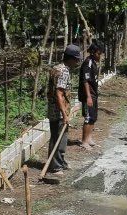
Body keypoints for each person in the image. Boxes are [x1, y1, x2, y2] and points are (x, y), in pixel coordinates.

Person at [46, 44, 82, 179]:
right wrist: (64, 114)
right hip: (58, 110)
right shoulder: (64, 72)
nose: (77, 62)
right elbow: (59, 93)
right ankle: (55, 166)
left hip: (53, 108)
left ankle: (59, 161)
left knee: (58, 135)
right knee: (59, 137)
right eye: (76, 59)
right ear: (71, 58)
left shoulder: (56, 68)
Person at [77, 42, 104, 148]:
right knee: (88, 117)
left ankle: (89, 138)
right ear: (93, 53)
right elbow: (85, 81)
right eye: (98, 53)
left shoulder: (93, 62)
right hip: (88, 95)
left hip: (94, 94)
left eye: (100, 54)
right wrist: (88, 96)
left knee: (93, 117)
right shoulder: (87, 63)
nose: (99, 56)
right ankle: (84, 141)